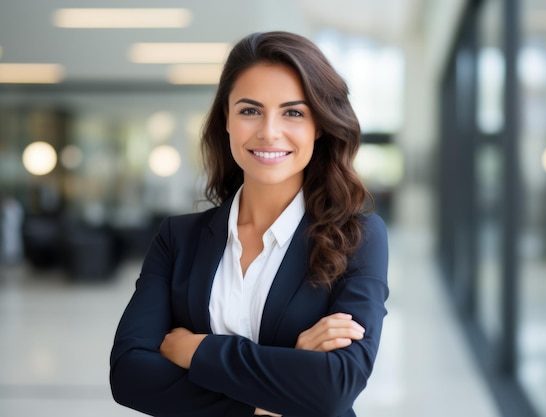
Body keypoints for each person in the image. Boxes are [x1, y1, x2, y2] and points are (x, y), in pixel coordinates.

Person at [110, 31, 389, 417]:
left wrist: (197, 350)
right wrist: (275, 390)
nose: (269, 131)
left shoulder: (358, 238)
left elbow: (335, 387)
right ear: (226, 119)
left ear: (319, 125)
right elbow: (130, 375)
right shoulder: (177, 238)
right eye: (249, 110)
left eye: (293, 112)